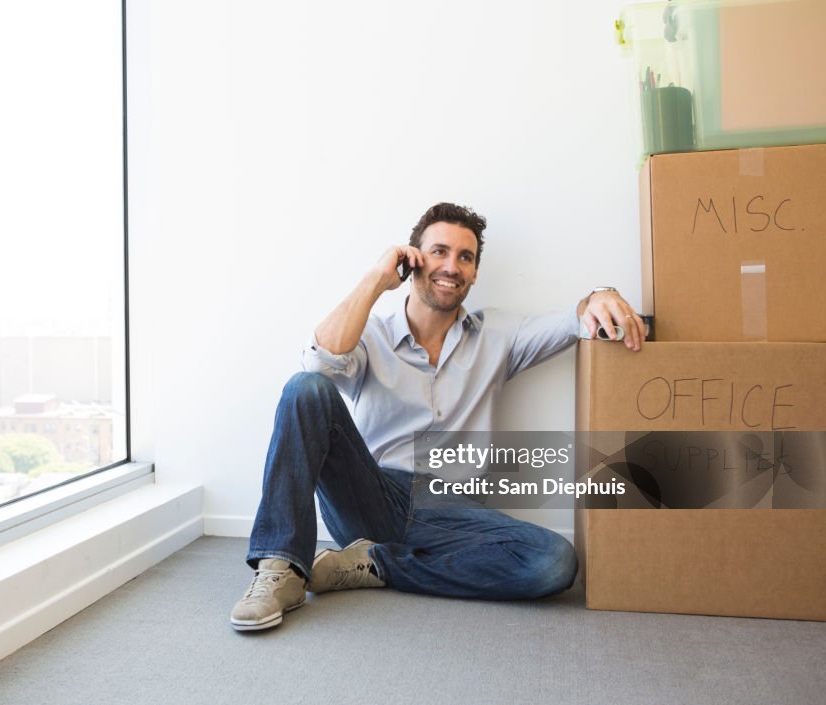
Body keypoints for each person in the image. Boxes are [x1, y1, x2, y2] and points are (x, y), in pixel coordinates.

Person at [230, 202, 643, 631]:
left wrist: (600, 295)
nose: (452, 266)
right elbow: (318, 365)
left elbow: (576, 320)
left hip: (451, 510)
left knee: (554, 561)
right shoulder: (369, 333)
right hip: (371, 495)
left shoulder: (499, 335)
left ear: (475, 272)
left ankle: (378, 564)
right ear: (413, 259)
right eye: (439, 252)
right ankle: (280, 569)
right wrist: (376, 280)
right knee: (305, 388)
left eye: (465, 257)